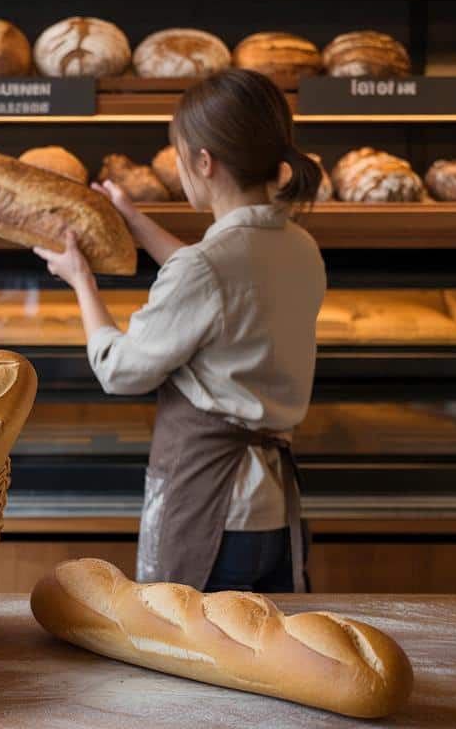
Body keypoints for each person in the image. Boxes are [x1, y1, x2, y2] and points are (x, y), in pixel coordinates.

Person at [33, 69, 326, 593]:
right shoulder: (299, 246)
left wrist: (81, 281)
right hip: (273, 514)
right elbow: (216, 282)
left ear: (204, 162)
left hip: (213, 514)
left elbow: (119, 371)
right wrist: (134, 219)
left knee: (191, 664)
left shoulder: (209, 268)